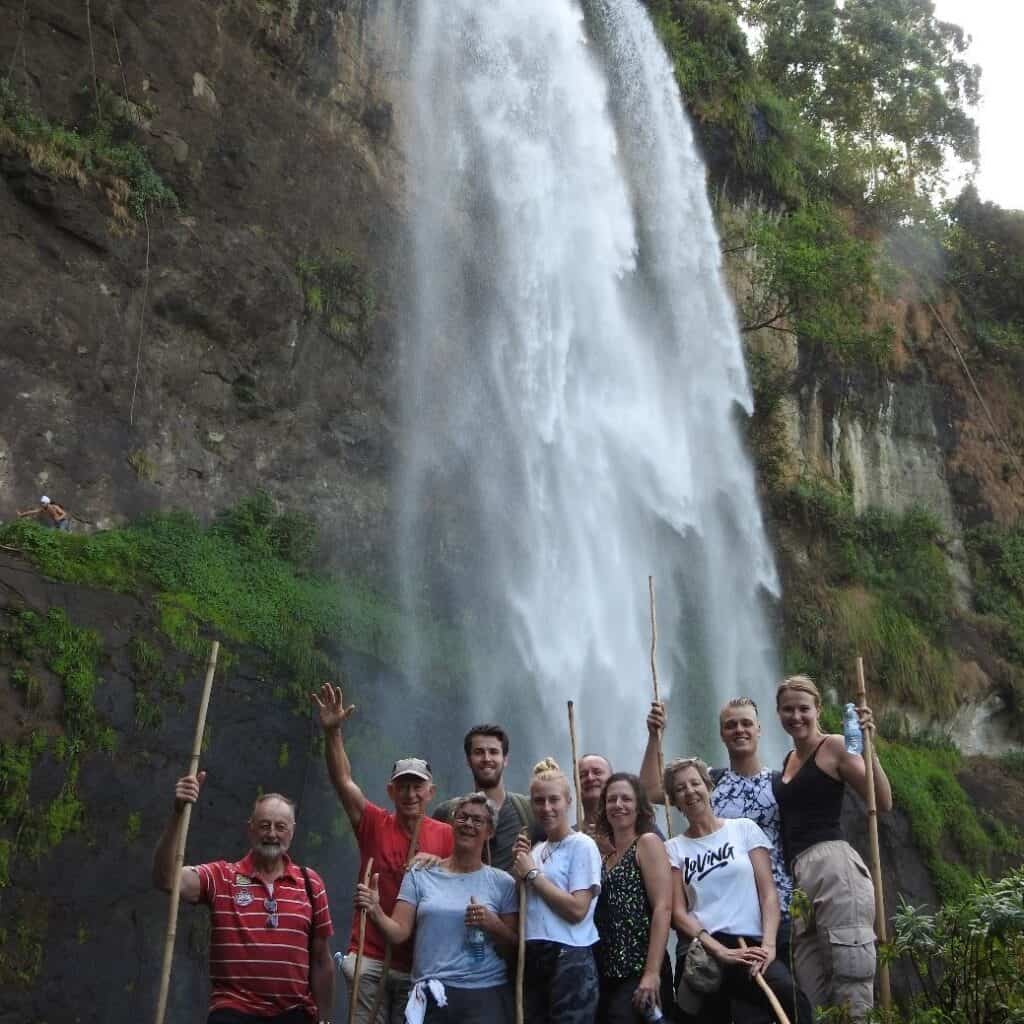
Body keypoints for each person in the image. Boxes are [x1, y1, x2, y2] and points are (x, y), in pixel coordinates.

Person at [312, 682, 454, 1024]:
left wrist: (442, 862)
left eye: (417, 786)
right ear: (390, 791)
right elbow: (343, 781)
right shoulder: (375, 824)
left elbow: (469, 873)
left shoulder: (447, 835)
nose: (410, 794)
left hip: (420, 964)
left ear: (431, 792)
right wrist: (333, 734)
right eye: (402, 786)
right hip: (371, 958)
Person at [152, 773, 335, 1023]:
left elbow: (322, 960)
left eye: (280, 827)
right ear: (250, 829)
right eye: (264, 825)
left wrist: (325, 1019)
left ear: (292, 831)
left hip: (294, 1013)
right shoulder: (222, 877)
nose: (272, 833)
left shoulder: (311, 883)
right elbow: (166, 878)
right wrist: (178, 813)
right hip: (234, 1010)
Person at [774, 675, 893, 1021]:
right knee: (813, 991)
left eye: (803, 709)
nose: (796, 716)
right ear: (778, 713)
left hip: (834, 869)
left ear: (818, 710)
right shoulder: (786, 761)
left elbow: (881, 800)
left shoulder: (837, 746)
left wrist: (869, 747)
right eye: (787, 709)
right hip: (799, 880)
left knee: (850, 977)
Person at [663, 758, 812, 1024]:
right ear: (674, 801)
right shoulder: (674, 848)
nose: (690, 791)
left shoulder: (743, 829)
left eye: (695, 783)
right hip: (707, 950)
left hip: (751, 945)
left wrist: (768, 946)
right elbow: (678, 913)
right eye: (680, 788)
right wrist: (719, 951)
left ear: (709, 787)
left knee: (793, 1001)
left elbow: (768, 895)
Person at [641, 698, 793, 956]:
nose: (739, 730)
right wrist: (655, 736)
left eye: (746, 723)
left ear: (759, 729)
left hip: (777, 912)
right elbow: (649, 790)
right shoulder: (709, 781)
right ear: (721, 733)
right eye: (730, 725)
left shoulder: (781, 784)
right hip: (724, 918)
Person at [354, 792, 519, 1023]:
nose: (468, 824)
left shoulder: (503, 883)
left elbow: (515, 948)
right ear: (452, 823)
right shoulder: (420, 874)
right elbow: (399, 932)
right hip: (431, 993)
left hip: (485, 994)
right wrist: (375, 909)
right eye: (462, 818)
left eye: (477, 820)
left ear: (489, 832)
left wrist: (493, 925)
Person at [512, 758, 602, 1024]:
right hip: (533, 955)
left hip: (570, 956)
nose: (547, 808)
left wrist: (532, 875)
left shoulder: (582, 845)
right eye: (539, 801)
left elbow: (577, 910)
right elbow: (526, 906)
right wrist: (520, 869)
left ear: (569, 801)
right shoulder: (536, 851)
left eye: (554, 800)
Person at [593, 773, 673, 1023]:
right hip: (608, 973)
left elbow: (663, 908)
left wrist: (651, 973)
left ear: (639, 807)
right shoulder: (603, 859)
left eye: (626, 799)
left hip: (640, 969)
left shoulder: (647, 843)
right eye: (611, 799)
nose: (618, 805)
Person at [434, 724, 541, 871]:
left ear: (505, 759)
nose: (486, 758)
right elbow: (433, 859)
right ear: (468, 760)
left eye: (494, 752)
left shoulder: (530, 811)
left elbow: (561, 846)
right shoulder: (447, 814)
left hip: (514, 892)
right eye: (479, 752)